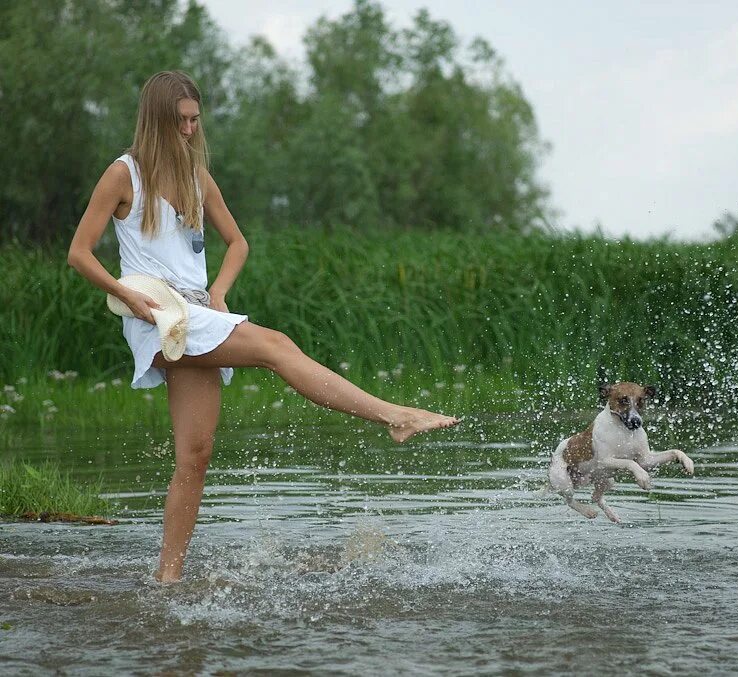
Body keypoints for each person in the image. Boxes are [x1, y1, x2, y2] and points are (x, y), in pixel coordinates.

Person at [67, 70, 459, 583]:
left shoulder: (195, 177)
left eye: (194, 120)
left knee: (195, 454)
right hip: (156, 316)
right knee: (276, 345)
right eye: (180, 121)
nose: (189, 131)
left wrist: (221, 293)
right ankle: (393, 415)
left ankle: (167, 579)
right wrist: (127, 296)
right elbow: (79, 253)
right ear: (157, 118)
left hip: (197, 316)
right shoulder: (124, 174)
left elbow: (238, 243)